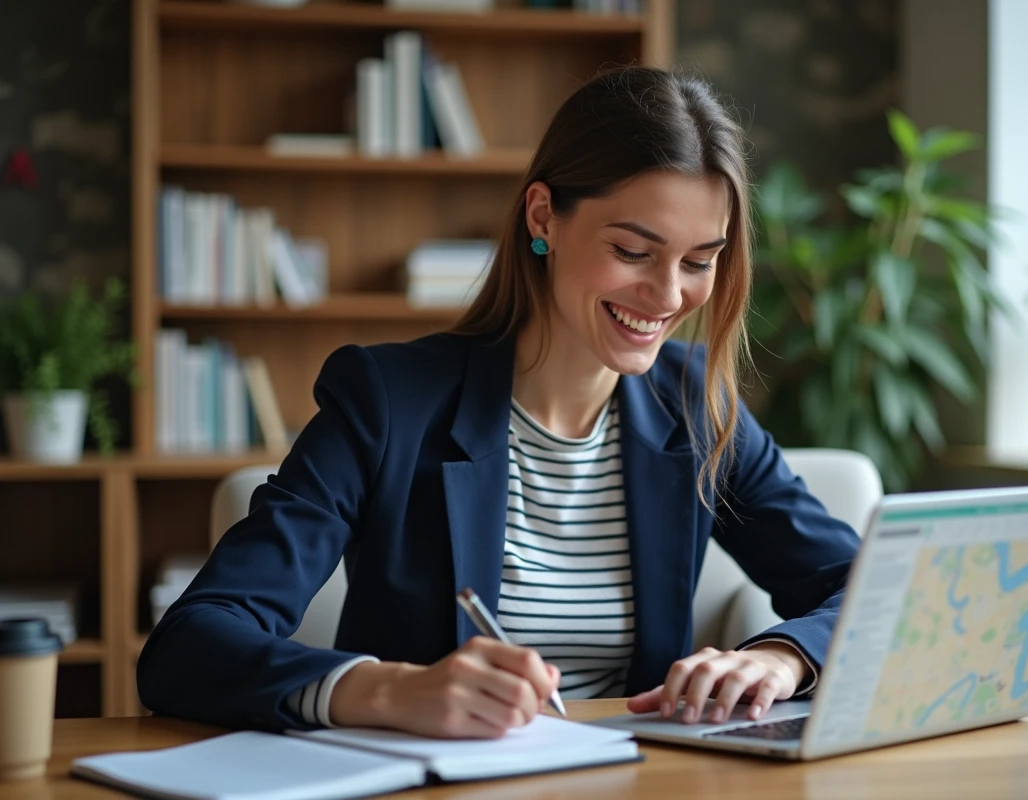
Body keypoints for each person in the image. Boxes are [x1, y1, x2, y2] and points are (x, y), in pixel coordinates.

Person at [137, 65, 861, 739]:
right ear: (543, 216)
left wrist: (782, 656)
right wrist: (387, 691)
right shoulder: (388, 402)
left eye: (700, 261)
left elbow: (871, 592)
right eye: (634, 252)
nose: (669, 295)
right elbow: (190, 643)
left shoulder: (695, 405)